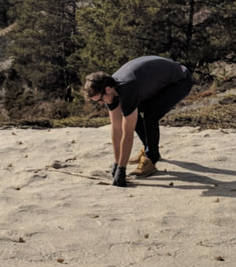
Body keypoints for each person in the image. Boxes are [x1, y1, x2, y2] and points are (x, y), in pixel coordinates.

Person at [83, 56, 193, 187]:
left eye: (100, 100)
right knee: (132, 112)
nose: (101, 103)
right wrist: (116, 163)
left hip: (180, 81)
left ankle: (151, 158)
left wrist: (122, 169)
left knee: (150, 116)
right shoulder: (110, 90)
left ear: (107, 89)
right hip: (162, 80)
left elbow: (127, 133)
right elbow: (116, 128)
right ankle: (148, 148)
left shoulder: (126, 88)